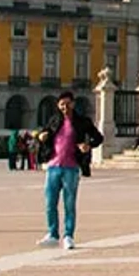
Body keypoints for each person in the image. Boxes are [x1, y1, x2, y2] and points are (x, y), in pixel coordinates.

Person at [36, 91, 103, 251]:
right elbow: (43, 133)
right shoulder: (54, 120)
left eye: (67, 104)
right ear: (58, 106)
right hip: (53, 166)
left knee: (69, 204)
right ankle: (52, 234)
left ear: (73, 104)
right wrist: (41, 137)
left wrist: (88, 146)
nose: (64, 107)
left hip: (71, 168)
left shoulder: (82, 122)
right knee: (50, 203)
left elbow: (98, 138)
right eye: (61, 104)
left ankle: (68, 236)